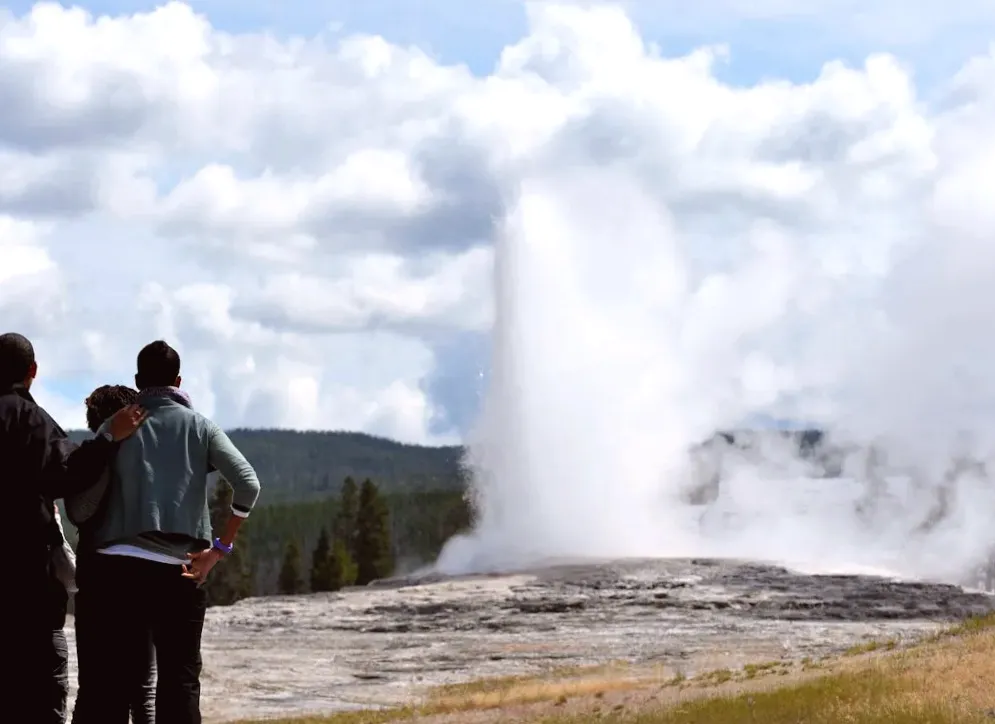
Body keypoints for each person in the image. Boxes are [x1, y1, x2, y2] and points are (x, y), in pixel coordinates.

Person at [73, 341, 261, 724]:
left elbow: (86, 484)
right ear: (178, 381)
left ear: (138, 381)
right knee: (180, 680)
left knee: (111, 685)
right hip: (179, 571)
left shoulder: (120, 423)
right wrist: (220, 548)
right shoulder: (201, 427)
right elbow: (248, 484)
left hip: (114, 569)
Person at [0, 332, 147, 724]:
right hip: (27, 577)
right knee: (40, 693)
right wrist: (108, 437)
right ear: (32, 371)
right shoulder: (31, 421)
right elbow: (69, 474)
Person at [71, 385, 156, 724]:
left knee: (94, 689)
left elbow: (79, 512)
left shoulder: (87, 457)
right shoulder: (149, 463)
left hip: (97, 583)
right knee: (142, 690)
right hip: (143, 579)